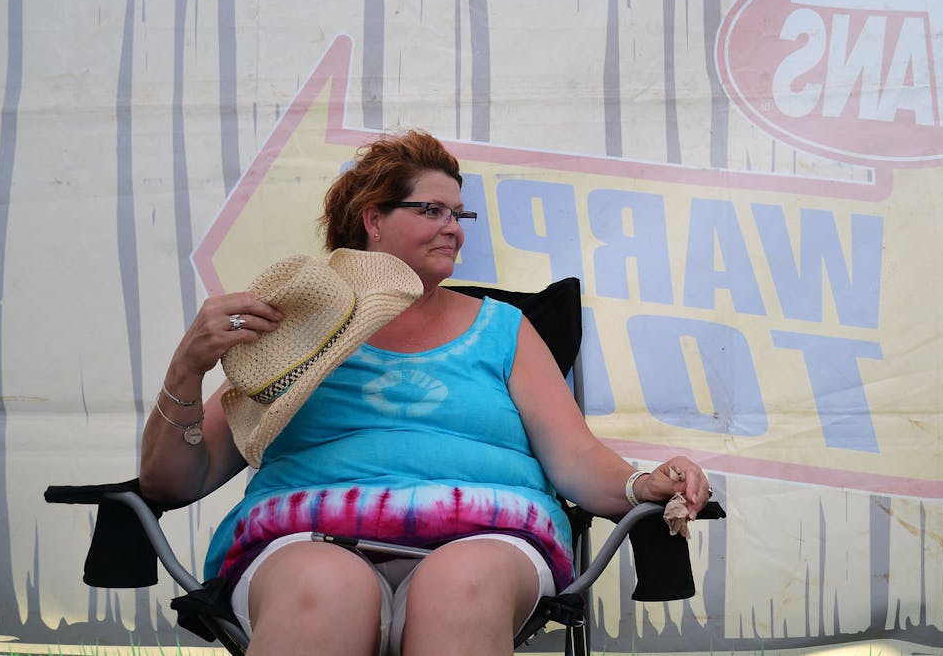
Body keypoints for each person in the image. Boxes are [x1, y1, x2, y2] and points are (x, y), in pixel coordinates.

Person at [139, 130, 713, 656]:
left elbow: (577, 458)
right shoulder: (298, 328)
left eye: (458, 214)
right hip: (305, 534)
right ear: (373, 220)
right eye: (432, 210)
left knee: (462, 584)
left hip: (489, 532)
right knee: (324, 587)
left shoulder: (504, 328)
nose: (454, 227)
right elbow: (173, 481)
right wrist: (187, 368)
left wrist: (642, 482)